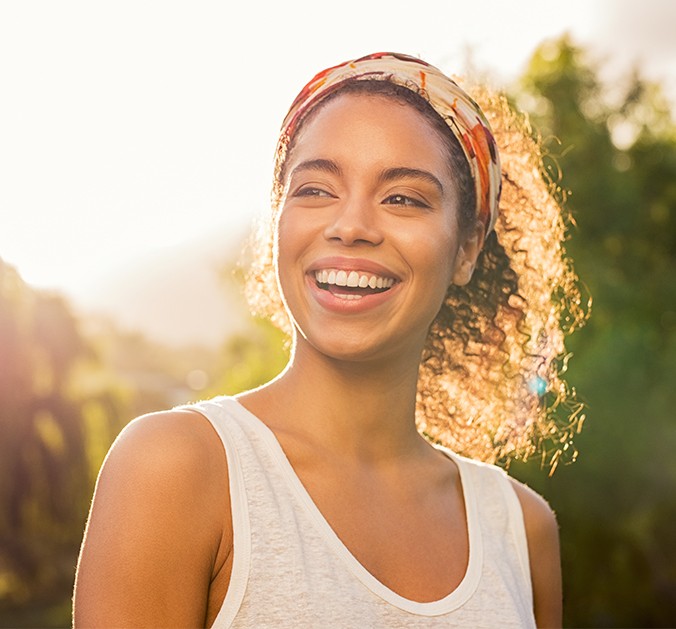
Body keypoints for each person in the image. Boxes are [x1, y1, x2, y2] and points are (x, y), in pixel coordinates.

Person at [73, 52, 586, 627]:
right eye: (315, 190)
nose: (350, 226)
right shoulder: (176, 468)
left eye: (403, 198)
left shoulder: (520, 529)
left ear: (466, 248)